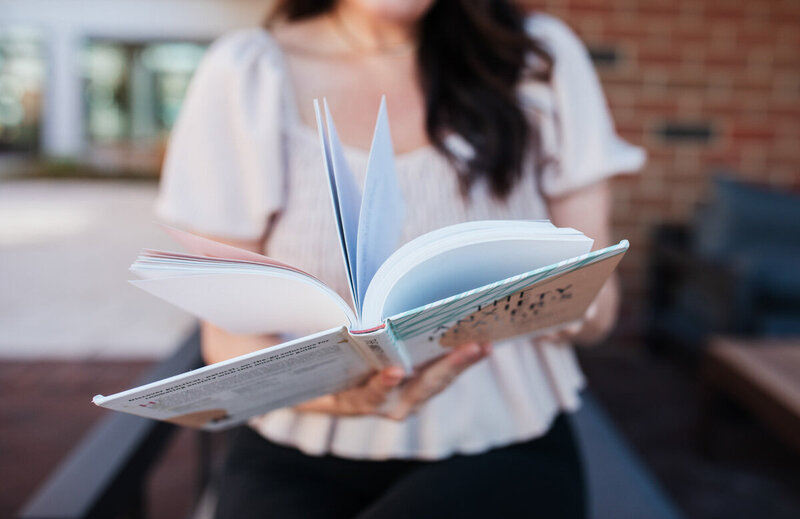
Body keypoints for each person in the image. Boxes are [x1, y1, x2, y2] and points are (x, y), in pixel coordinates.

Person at [156, 0, 645, 517]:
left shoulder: (536, 58)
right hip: (298, 440)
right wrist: (341, 398)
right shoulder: (247, 73)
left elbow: (598, 303)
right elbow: (228, 333)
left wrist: (551, 299)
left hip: (500, 435)